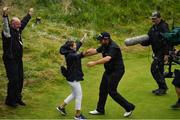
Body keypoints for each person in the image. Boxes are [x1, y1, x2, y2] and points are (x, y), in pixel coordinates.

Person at [85, 32, 135, 117]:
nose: (99, 41)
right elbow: (96, 50)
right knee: (103, 89)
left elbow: (107, 58)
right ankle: (100, 110)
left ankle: (129, 107)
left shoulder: (113, 47)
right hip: (108, 71)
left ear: (106, 39)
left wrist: (94, 63)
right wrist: (86, 52)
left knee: (112, 91)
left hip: (117, 71)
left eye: (101, 40)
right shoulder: (104, 45)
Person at [2, 7, 33, 107]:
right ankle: (10, 101)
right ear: (13, 24)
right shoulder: (7, 33)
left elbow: (23, 23)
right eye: (18, 24)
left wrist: (29, 14)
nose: (20, 25)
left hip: (18, 59)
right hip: (10, 59)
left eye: (19, 24)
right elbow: (6, 26)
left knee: (20, 79)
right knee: (14, 80)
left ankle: (17, 98)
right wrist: (5, 15)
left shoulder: (18, 29)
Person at [57, 34, 87, 120]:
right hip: (73, 78)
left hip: (71, 77)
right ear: (71, 47)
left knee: (74, 94)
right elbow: (80, 55)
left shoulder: (70, 51)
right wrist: (88, 52)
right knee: (79, 95)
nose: (75, 46)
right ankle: (77, 115)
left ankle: (61, 107)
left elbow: (78, 45)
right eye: (74, 45)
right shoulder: (71, 55)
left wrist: (83, 39)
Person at [141, 11, 171, 95]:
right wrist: (141, 42)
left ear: (159, 18)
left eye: (155, 19)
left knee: (154, 68)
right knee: (159, 70)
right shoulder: (153, 28)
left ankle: (163, 88)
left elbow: (168, 40)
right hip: (157, 52)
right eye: (152, 19)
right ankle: (161, 88)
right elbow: (149, 40)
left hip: (163, 51)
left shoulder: (164, 26)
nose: (153, 20)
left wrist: (166, 54)